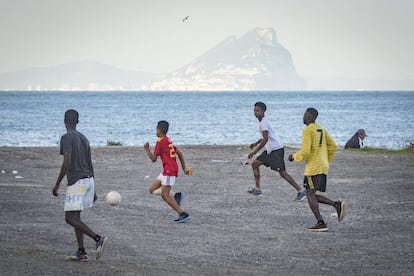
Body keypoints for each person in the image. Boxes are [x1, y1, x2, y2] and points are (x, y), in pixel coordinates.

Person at [52, 109, 107, 261]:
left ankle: (98, 238)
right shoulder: (84, 138)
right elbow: (90, 163)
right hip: (88, 180)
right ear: (78, 121)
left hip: (77, 181)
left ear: (64, 121)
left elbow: (67, 161)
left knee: (69, 218)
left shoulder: (66, 137)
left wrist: (57, 184)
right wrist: (93, 186)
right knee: (76, 217)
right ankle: (81, 252)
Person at [288, 107, 345, 232]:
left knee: (309, 194)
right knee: (311, 194)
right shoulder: (321, 129)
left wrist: (293, 157)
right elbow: (333, 146)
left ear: (309, 116)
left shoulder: (307, 130)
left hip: (313, 167)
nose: (303, 117)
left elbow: (305, 152)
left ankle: (321, 222)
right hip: (323, 166)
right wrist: (325, 159)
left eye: (304, 115)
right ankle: (336, 205)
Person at [247, 102, 306, 201]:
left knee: (283, 173)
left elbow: (265, 139)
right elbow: (265, 137)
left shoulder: (264, 122)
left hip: (276, 150)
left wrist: (254, 152)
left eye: (257, 110)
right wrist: (256, 143)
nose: (255, 113)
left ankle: (301, 191)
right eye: (254, 110)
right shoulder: (262, 122)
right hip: (271, 150)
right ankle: (257, 189)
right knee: (255, 164)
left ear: (263, 111)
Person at [144, 120, 192, 223]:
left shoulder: (160, 142)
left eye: (156, 129)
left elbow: (153, 159)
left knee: (165, 195)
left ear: (159, 131)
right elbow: (179, 153)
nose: (155, 131)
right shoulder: (168, 140)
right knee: (152, 189)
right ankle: (176, 195)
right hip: (168, 170)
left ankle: (182, 214)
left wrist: (147, 149)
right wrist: (184, 168)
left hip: (169, 171)